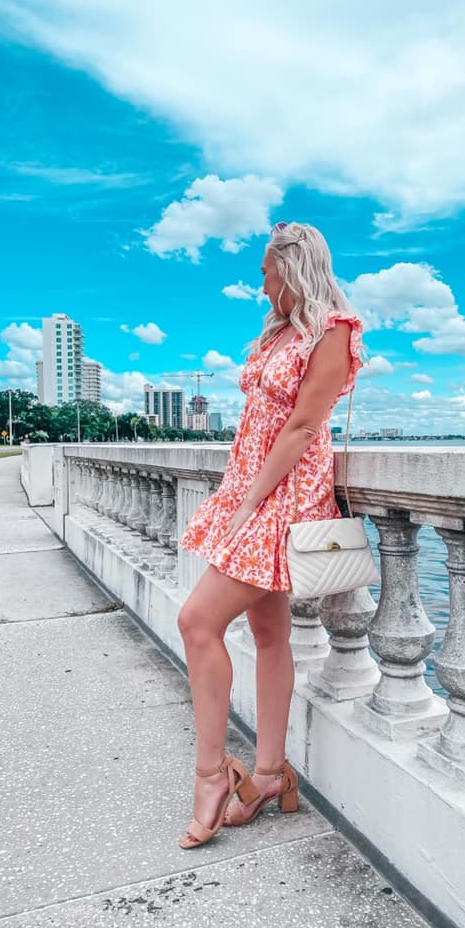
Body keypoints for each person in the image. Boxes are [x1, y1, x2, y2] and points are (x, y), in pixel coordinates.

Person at [177, 221, 364, 849]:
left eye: (265, 271)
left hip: (282, 494)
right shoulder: (279, 332)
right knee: (269, 632)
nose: (260, 283)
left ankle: (212, 776)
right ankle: (267, 774)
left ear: (292, 267)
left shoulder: (333, 330)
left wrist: (249, 503)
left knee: (197, 621)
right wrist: (238, 492)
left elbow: (304, 425)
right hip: (251, 486)